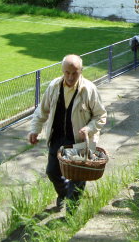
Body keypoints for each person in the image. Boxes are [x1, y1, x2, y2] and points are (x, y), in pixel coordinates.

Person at [28, 54, 107, 211]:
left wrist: (89, 129)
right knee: (52, 172)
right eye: (67, 72)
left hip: (79, 141)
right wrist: (34, 130)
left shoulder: (89, 89)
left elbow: (101, 115)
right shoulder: (53, 87)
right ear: (62, 71)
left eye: (74, 73)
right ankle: (63, 193)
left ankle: (71, 213)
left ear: (81, 71)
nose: (70, 77)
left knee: (78, 177)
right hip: (57, 137)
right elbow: (41, 111)